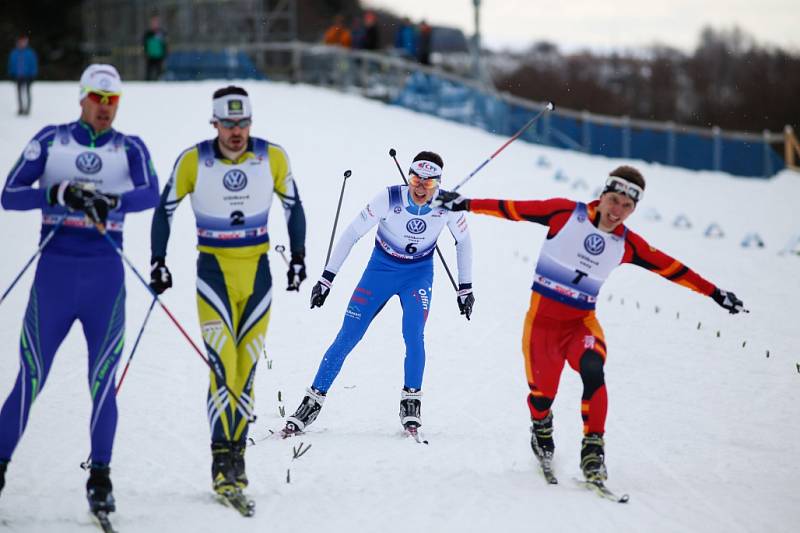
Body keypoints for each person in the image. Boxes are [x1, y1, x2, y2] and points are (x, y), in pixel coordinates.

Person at [436, 166, 744, 484]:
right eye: (614, 201)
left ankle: (593, 450)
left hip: (581, 324)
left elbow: (672, 268)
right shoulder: (564, 213)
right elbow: (512, 209)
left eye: (627, 207)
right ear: (603, 194)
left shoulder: (628, 243)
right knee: (542, 397)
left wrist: (715, 293)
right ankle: (541, 426)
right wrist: (464, 203)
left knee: (594, 370)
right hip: (541, 327)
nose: (618, 212)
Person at [0, 64, 159, 513]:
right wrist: (57, 193)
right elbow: (9, 194)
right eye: (97, 98)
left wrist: (112, 201)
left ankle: (101, 477)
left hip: (104, 277)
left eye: (113, 101)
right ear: (82, 97)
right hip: (54, 274)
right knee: (29, 378)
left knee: (103, 383)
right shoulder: (51, 140)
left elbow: (151, 192)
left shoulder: (129, 147)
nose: (105, 108)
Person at [149, 86, 307, 498]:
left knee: (247, 370)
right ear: (215, 123)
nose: (236, 132)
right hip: (213, 274)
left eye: (242, 123)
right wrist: (158, 261)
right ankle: (222, 460)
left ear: (250, 123)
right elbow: (165, 208)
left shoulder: (271, 156)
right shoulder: (194, 159)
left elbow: (294, 206)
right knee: (224, 370)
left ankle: (237, 456)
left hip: (257, 275)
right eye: (228, 123)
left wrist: (299, 257)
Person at [282, 152, 474, 438]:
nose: (420, 187)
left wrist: (465, 287)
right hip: (380, 271)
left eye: (428, 182)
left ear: (438, 183)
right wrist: (327, 279)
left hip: (418, 276)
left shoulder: (447, 205)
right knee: (347, 336)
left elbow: (464, 242)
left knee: (414, 335)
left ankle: (411, 401)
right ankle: (311, 402)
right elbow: (351, 234)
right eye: (415, 179)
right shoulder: (388, 198)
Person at [7, 35, 38, 115]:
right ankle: (20, 108)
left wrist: (33, 74)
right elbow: (11, 64)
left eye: (23, 42)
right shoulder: (14, 53)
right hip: (18, 76)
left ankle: (27, 109)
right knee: (19, 93)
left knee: (27, 92)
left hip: (28, 76)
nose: (22, 43)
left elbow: (33, 64)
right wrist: (11, 73)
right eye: (20, 42)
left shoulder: (30, 53)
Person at [142, 15, 168, 81]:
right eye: (153, 23)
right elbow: (144, 44)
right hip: (150, 56)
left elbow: (165, 44)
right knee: (149, 72)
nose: (154, 24)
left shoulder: (162, 32)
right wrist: (145, 53)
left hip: (159, 56)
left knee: (159, 73)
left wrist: (165, 53)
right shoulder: (148, 34)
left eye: (156, 22)